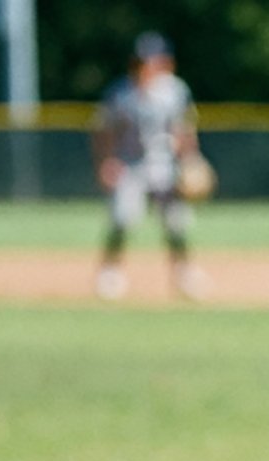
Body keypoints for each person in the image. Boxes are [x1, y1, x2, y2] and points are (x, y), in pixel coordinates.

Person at [91, 32, 208, 302]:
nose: (147, 66)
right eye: (142, 60)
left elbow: (184, 130)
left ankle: (183, 273)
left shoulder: (175, 91)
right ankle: (110, 272)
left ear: (165, 62)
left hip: (164, 164)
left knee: (175, 222)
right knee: (122, 219)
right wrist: (107, 161)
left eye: (153, 60)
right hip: (130, 165)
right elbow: (104, 132)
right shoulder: (121, 93)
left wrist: (191, 158)